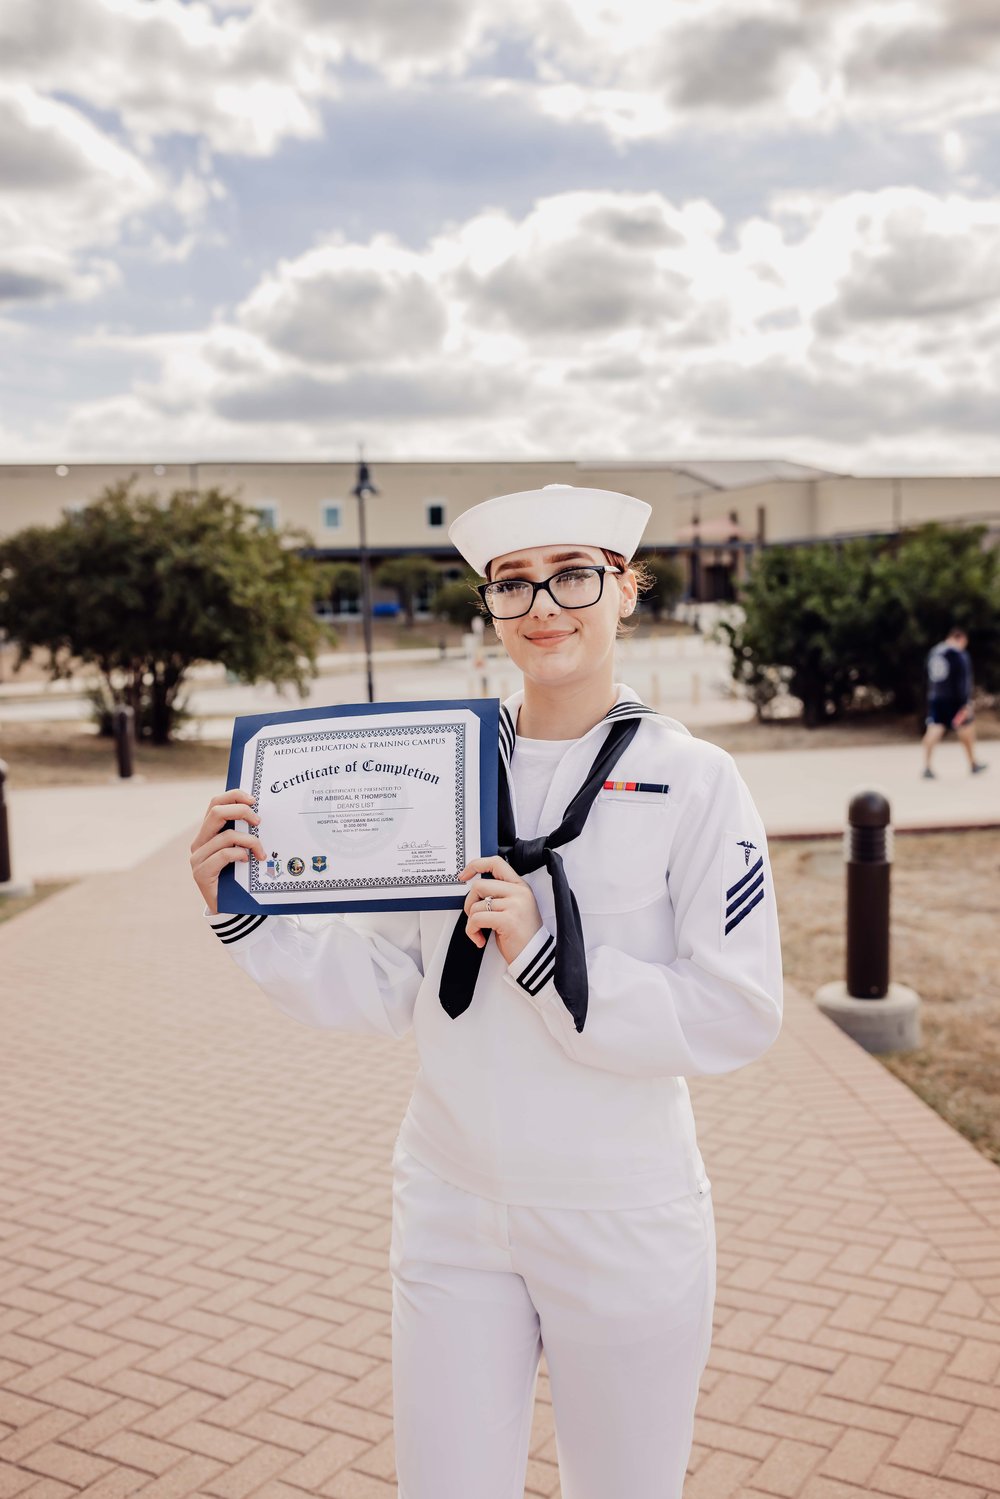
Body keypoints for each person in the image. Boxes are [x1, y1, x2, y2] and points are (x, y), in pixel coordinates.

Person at [190, 483, 784, 1499]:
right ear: (491, 606)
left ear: (627, 588)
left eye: (571, 574)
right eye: (511, 583)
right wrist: (250, 907)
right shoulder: (438, 766)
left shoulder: (695, 778)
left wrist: (551, 953)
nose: (542, 603)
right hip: (453, 1200)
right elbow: (389, 986)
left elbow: (737, 1007)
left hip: (621, 1207)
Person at [921, 624, 988, 779]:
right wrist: (965, 703)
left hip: (936, 696)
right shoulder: (958, 654)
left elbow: (928, 676)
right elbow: (963, 680)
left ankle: (927, 766)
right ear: (961, 638)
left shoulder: (935, 652)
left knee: (934, 728)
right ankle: (973, 764)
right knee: (966, 729)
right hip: (955, 699)